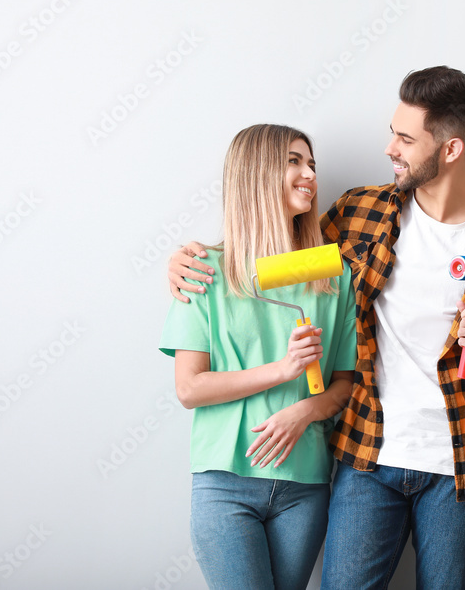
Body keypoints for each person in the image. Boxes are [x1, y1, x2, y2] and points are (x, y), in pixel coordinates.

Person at [168, 67, 465, 589]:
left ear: (451, 149)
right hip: (366, 456)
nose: (390, 147)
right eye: (393, 131)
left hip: (463, 460)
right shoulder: (358, 213)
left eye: (405, 138)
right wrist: (191, 259)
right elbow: (280, 257)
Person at [159, 124, 356, 590]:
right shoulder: (202, 270)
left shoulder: (331, 274)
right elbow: (190, 388)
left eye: (311, 164)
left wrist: (304, 411)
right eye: (293, 161)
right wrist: (282, 369)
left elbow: (345, 384)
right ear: (256, 173)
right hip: (226, 482)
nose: (309, 173)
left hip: (304, 485)